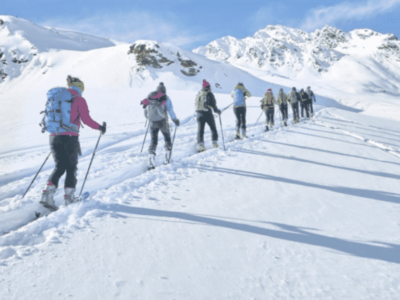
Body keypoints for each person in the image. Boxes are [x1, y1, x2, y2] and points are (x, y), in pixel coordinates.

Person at [40, 76, 106, 211]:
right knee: (71, 167)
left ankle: (47, 196)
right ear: (80, 88)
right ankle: (69, 199)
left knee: (59, 167)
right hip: (70, 137)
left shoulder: (56, 99)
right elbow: (86, 119)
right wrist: (100, 127)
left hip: (54, 136)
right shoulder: (79, 99)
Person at [142, 82, 179, 170]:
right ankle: (167, 158)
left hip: (152, 122)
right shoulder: (165, 98)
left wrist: (148, 118)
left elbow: (146, 109)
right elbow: (170, 110)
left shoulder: (151, 98)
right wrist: (175, 120)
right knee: (167, 137)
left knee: (153, 140)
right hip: (163, 121)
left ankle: (150, 161)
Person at [195, 79, 221, 152]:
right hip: (207, 113)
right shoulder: (209, 94)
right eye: (209, 86)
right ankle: (214, 144)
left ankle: (201, 145)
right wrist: (217, 111)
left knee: (200, 130)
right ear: (208, 87)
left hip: (199, 114)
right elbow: (213, 104)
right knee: (213, 128)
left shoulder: (199, 93)